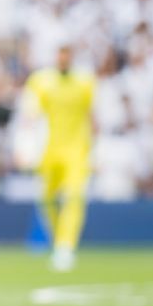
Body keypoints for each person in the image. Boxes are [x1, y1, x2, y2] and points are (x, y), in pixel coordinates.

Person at [25, 46, 95, 272]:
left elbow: (92, 115)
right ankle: (58, 241)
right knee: (46, 199)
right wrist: (26, 147)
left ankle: (65, 246)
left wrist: (97, 149)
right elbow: (30, 115)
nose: (63, 57)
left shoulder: (85, 82)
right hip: (49, 150)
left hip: (77, 150)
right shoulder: (41, 81)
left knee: (74, 197)